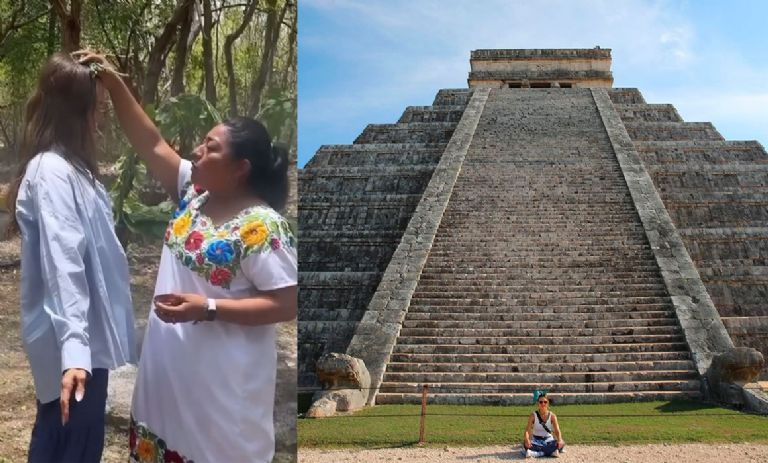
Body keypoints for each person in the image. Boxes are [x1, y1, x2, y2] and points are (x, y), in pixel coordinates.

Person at [73, 51, 298, 463]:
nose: (196, 151)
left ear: (240, 169)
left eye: (210, 148)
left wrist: (209, 307)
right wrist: (112, 81)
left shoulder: (262, 226)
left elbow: (286, 302)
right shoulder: (193, 195)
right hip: (165, 382)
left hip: (222, 398)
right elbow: (151, 141)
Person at [7, 53, 137, 462]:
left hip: (84, 341)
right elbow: (64, 262)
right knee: (66, 445)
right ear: (75, 113)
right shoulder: (52, 171)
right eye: (97, 110)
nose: (102, 121)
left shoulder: (74, 170)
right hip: (73, 345)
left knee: (74, 443)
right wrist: (75, 351)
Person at [522, 391, 565, 458]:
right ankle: (550, 452)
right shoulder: (533, 415)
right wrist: (527, 439)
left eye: (545, 402)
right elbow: (527, 430)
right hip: (536, 439)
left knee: (561, 443)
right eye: (541, 402)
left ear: (548, 404)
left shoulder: (552, 416)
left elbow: (557, 430)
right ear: (538, 404)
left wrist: (559, 439)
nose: (543, 404)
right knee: (526, 444)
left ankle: (536, 453)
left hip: (548, 439)